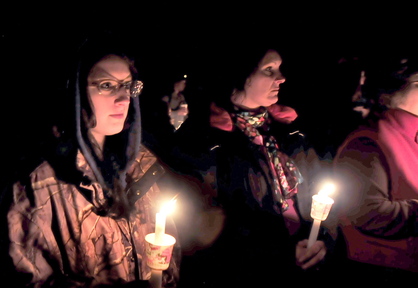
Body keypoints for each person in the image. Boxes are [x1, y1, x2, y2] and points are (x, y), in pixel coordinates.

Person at [0, 33, 181, 288]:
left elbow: (168, 261)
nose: (124, 98)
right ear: (72, 90)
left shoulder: (141, 166)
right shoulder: (38, 186)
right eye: (107, 85)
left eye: (128, 85)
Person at [165, 42, 334, 288]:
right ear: (240, 74)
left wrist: (323, 239)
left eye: (279, 68)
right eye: (269, 70)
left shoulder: (288, 130)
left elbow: (322, 192)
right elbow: (209, 230)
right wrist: (282, 255)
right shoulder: (206, 143)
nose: (281, 78)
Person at [331, 55, 418, 284]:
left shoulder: (411, 137)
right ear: (390, 91)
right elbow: (368, 213)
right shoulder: (367, 141)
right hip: (382, 272)